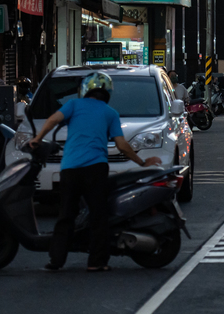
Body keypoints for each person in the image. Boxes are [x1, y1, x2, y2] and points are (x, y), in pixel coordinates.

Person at [29, 72, 161, 272]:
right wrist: (142, 162)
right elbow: (122, 145)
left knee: (66, 215)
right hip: (95, 170)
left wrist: (38, 138)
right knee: (99, 215)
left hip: (70, 169)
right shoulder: (110, 113)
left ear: (85, 90)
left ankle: (56, 260)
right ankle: (96, 261)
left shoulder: (73, 105)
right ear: (107, 92)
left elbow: (53, 120)